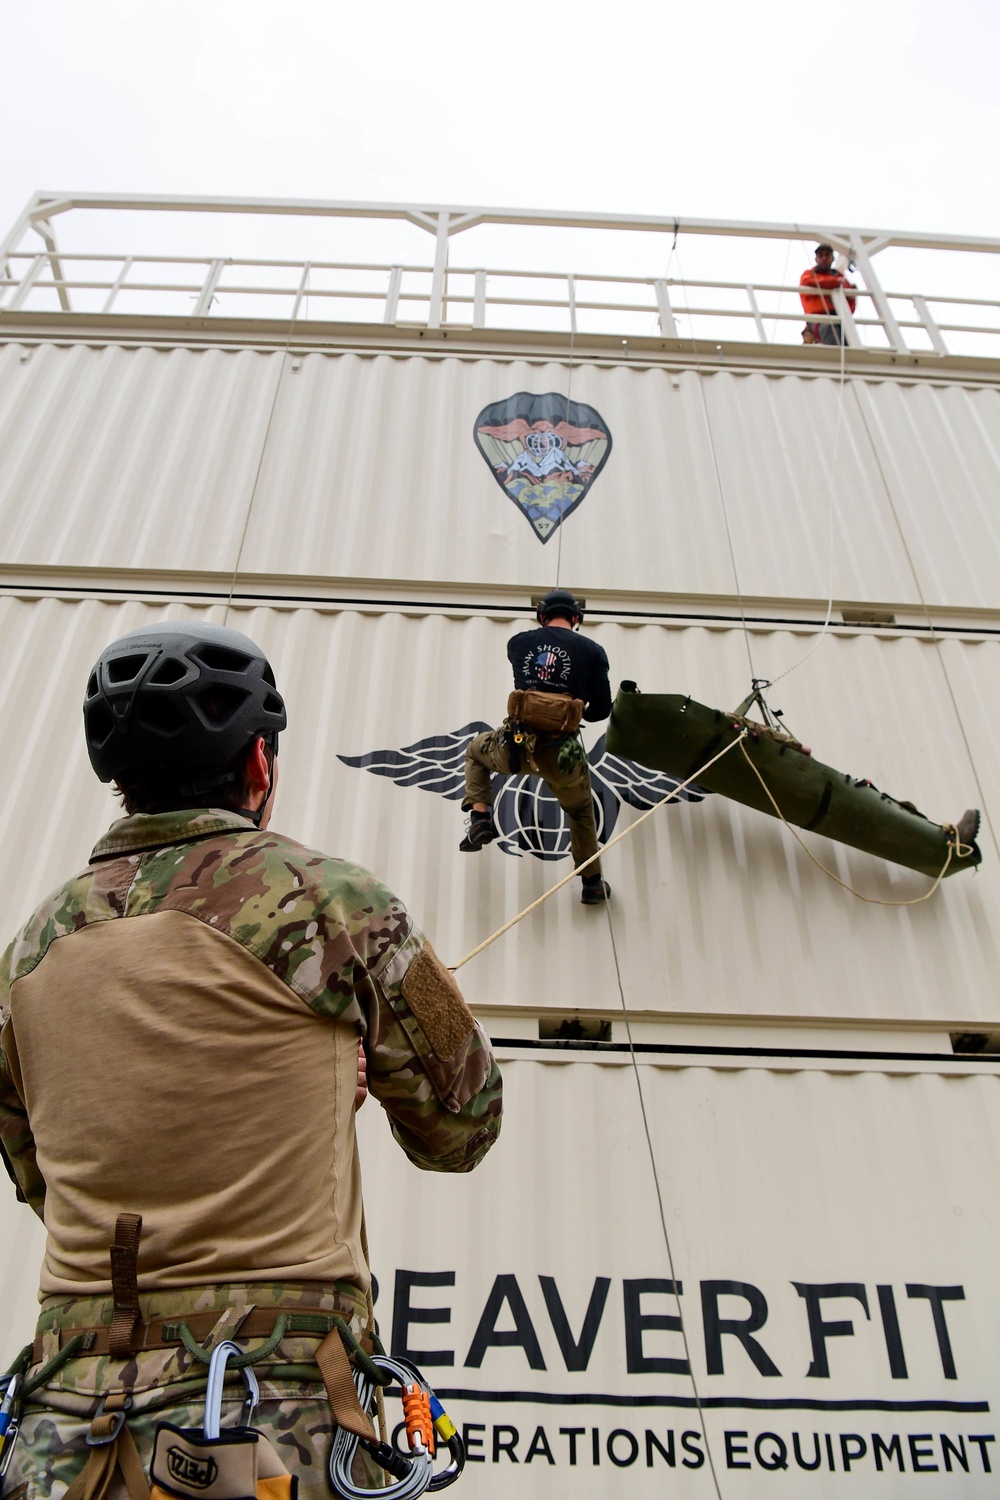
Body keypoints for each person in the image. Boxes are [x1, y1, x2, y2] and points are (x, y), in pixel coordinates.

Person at [0, 620, 502, 1500]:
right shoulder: (333, 901)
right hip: (268, 1412)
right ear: (259, 766)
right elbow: (463, 1126)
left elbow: (43, 1173)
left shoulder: (29, 949)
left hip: (64, 1431)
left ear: (119, 783)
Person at [461, 589, 612, 905]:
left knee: (476, 749)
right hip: (562, 755)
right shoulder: (593, 651)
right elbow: (601, 711)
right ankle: (592, 883)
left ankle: (479, 821)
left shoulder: (518, 643)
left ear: (541, 615)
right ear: (576, 618)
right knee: (581, 811)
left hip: (516, 747)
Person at [799, 243, 857, 345]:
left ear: (832, 258)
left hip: (840, 319)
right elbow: (808, 282)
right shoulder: (809, 274)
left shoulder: (839, 276)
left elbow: (850, 307)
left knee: (849, 339)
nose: (824, 258)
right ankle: (834, 359)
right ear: (816, 259)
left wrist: (852, 297)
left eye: (827, 255)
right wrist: (835, 282)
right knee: (830, 330)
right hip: (818, 319)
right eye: (821, 255)